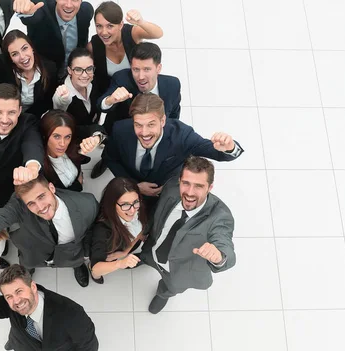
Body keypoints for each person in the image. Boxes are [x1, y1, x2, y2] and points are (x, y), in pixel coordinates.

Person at [0, 175, 98, 287]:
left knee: (74, 261)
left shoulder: (87, 204)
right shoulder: (19, 206)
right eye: (31, 203)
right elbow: (1, 217)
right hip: (34, 253)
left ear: (52, 188)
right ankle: (29, 271)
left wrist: (85, 254)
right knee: (27, 266)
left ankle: (77, 265)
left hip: (72, 253)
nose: (40, 207)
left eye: (41, 196)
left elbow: (94, 230)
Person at [103, 93, 243, 208]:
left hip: (165, 189)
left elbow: (216, 152)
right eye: (138, 125)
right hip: (131, 182)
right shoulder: (120, 130)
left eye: (151, 125)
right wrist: (134, 185)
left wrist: (230, 147)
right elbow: (110, 158)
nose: (144, 133)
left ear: (163, 121)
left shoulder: (182, 135)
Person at [139, 157, 236, 314]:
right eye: (186, 183)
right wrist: (146, 230)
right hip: (153, 246)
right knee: (146, 256)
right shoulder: (172, 187)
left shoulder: (220, 216)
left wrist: (219, 256)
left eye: (198, 186)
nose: (189, 193)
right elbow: (157, 211)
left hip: (180, 268)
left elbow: (225, 245)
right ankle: (145, 259)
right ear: (179, 180)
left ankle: (163, 294)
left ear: (209, 187)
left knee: (171, 286)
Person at [0, 264, 99, 350]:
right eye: (9, 296)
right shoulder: (10, 304)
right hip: (22, 344)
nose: (16, 301)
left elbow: (89, 346)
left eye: (19, 291)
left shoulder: (71, 313)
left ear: (32, 286)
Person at [91, 42, 181, 178]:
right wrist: (111, 99)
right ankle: (105, 162)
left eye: (146, 69)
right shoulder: (121, 78)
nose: (140, 76)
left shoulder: (173, 85)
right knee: (112, 153)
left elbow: (174, 112)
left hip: (152, 132)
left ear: (158, 68)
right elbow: (101, 104)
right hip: (121, 132)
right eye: (136, 69)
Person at [0, 30, 58, 118]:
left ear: (32, 48)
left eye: (25, 48)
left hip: (33, 117)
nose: (23, 57)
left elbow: (47, 102)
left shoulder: (49, 68)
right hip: (5, 116)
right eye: (15, 54)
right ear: (10, 58)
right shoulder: (3, 64)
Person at [87, 2, 163, 93]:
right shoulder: (93, 46)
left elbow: (158, 33)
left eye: (110, 26)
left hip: (139, 90)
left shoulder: (131, 33)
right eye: (99, 26)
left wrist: (141, 22)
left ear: (121, 25)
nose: (104, 32)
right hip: (114, 95)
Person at [90, 177, 147, 284]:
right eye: (125, 205)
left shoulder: (139, 208)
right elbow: (96, 268)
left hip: (126, 246)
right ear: (112, 204)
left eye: (135, 202)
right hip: (112, 252)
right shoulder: (102, 230)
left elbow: (141, 228)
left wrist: (125, 252)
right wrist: (119, 264)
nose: (132, 211)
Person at [13, 0, 94, 74]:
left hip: (75, 74)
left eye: (75, 0)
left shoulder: (86, 11)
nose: (69, 5)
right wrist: (27, 11)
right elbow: (33, 16)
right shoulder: (42, 10)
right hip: (46, 75)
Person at [40, 110, 102, 192]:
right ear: (45, 135)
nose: (63, 143)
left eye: (67, 137)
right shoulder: (39, 165)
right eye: (57, 137)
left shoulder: (72, 144)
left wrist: (96, 138)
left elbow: (96, 128)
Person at [52, 48, 106, 138]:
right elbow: (59, 105)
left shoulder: (93, 81)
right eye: (78, 69)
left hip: (94, 136)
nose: (84, 75)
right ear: (69, 71)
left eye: (89, 69)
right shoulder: (63, 92)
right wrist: (61, 98)